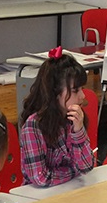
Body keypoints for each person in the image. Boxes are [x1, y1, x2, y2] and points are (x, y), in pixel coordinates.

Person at [19, 46, 94, 186]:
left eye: (82, 89)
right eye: (75, 90)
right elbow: (40, 178)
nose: (82, 96)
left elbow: (86, 166)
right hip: (37, 197)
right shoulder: (33, 126)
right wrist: (74, 171)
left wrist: (79, 132)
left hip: (67, 188)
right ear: (55, 92)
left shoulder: (73, 118)